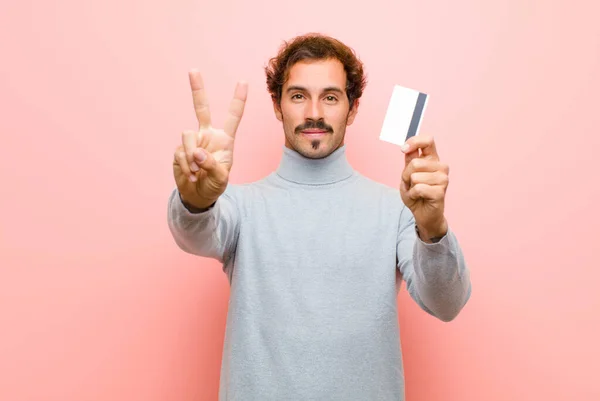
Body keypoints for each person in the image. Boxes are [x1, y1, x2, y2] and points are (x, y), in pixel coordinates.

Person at [167, 32, 471, 401]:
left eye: (330, 97)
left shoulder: (398, 210)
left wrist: (433, 227)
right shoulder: (240, 206)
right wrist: (195, 201)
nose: (314, 112)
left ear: (352, 108)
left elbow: (447, 303)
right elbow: (195, 234)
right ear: (278, 106)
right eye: (298, 96)